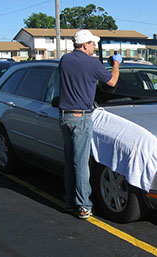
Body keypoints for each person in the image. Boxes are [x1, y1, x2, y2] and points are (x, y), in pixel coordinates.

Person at [58, 29, 123, 219]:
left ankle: (69, 201)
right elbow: (111, 82)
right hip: (81, 117)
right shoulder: (92, 62)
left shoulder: (65, 60)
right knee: (81, 163)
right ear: (85, 44)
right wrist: (116, 63)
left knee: (70, 161)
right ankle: (84, 205)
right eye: (93, 43)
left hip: (64, 117)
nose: (94, 46)